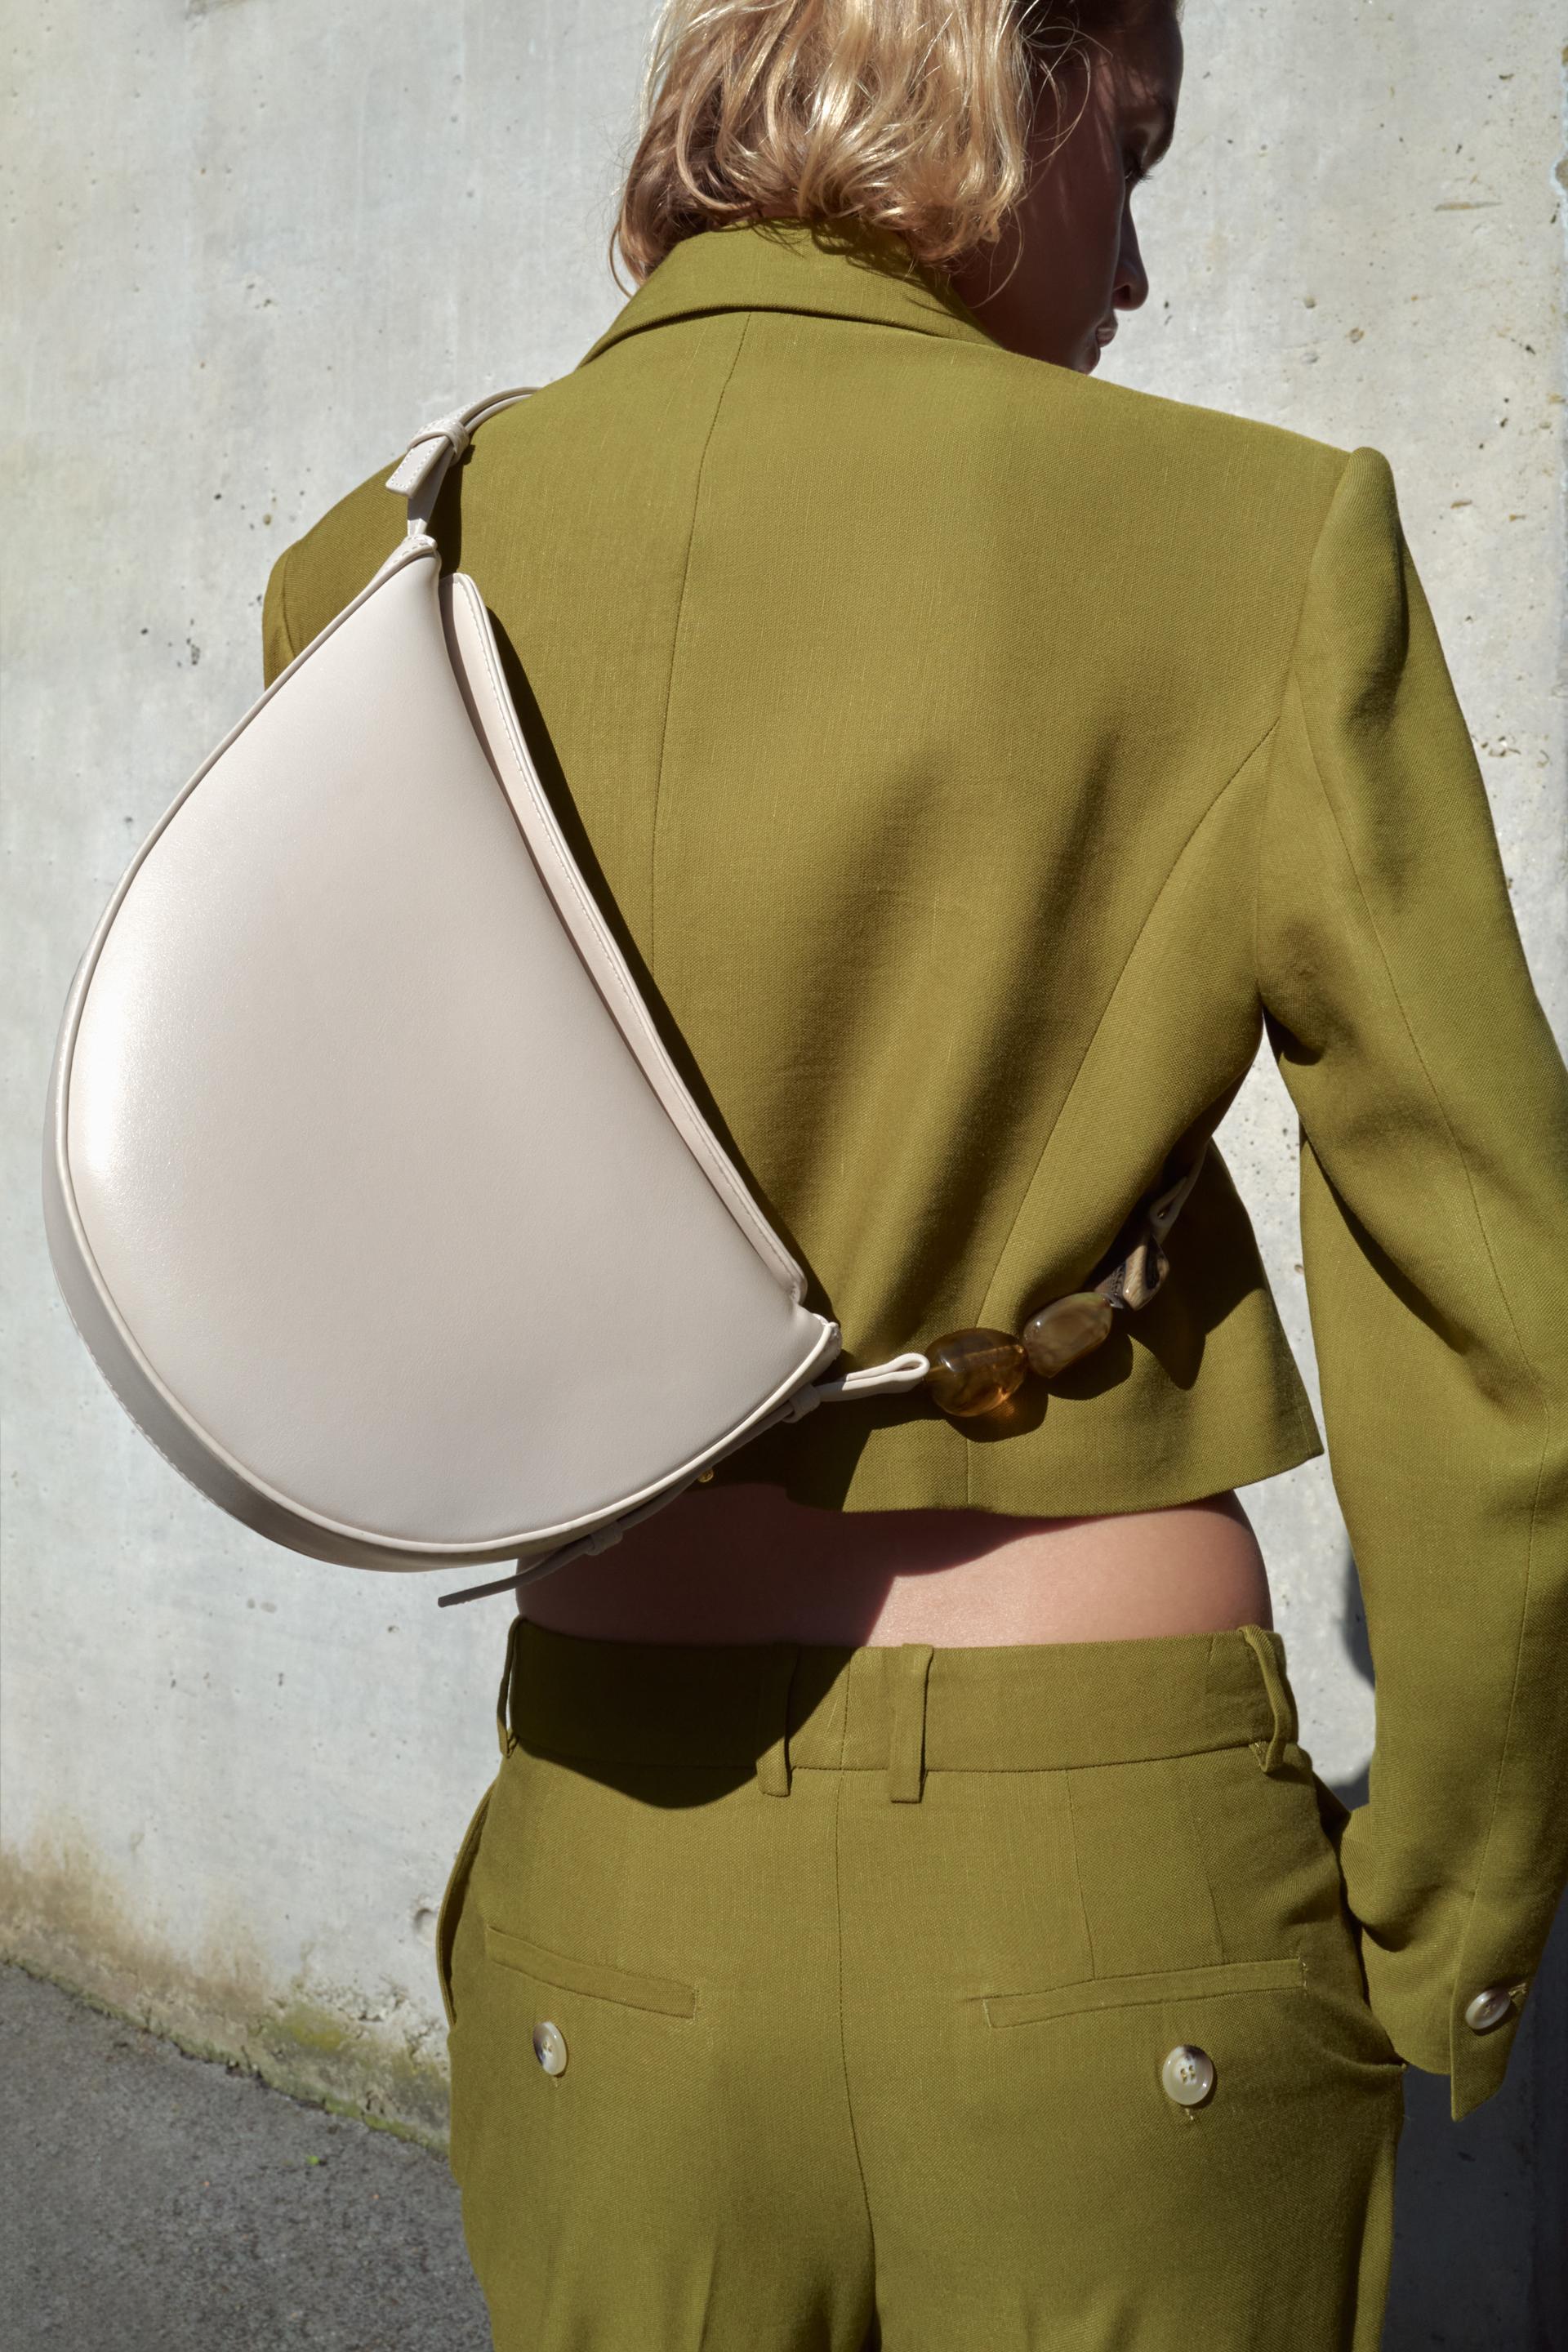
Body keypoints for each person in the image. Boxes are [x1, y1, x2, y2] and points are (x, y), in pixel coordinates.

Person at [262, 2, 1568, 2345]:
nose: (1137, 267)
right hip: (1118, 1903)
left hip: (608, 1879)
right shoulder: (1265, 541)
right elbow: (1508, 1321)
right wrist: (1447, 1920)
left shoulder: (373, 577)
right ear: (1010, 73)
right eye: (1132, 155)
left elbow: (323, 1223)